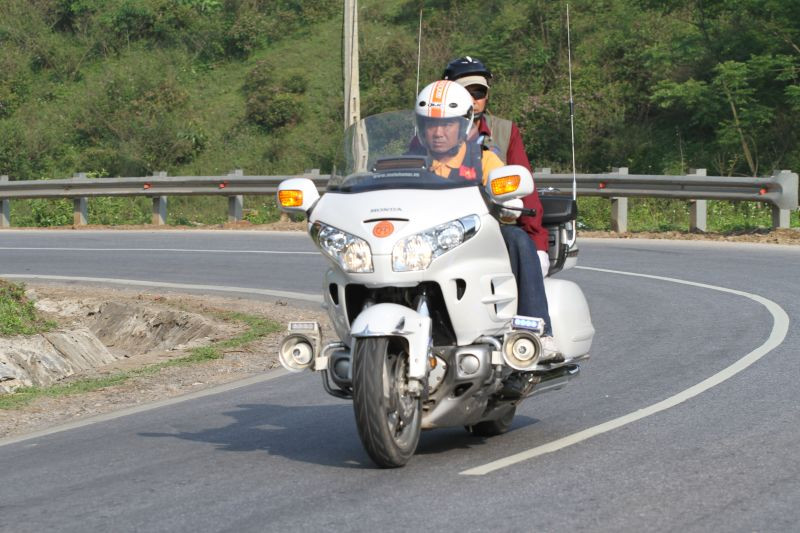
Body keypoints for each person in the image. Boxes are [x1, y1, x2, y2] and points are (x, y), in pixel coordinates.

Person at [415, 80, 557, 353]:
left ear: (464, 124)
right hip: (426, 240)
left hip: (477, 236)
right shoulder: (410, 162)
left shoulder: (484, 159)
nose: (439, 132)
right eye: (432, 124)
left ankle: (537, 330)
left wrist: (507, 204)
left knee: (516, 238)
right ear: (421, 127)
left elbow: (508, 191)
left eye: (448, 124)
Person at [442, 56, 550, 278]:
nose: (473, 100)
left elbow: (526, 191)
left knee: (519, 242)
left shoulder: (505, 131)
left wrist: (537, 244)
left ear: (487, 95)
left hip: (493, 228)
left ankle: (532, 313)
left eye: (478, 93)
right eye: (465, 93)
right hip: (442, 229)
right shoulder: (430, 131)